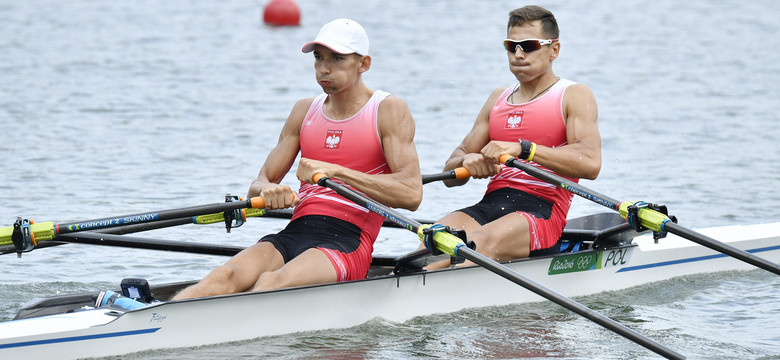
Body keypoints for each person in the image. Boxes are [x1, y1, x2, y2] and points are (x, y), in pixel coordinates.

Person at [173, 18, 422, 299]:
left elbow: (411, 193)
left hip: (348, 242)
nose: (323, 69)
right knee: (223, 277)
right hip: (296, 231)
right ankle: (159, 324)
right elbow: (258, 184)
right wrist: (269, 191)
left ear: (363, 64)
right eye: (318, 58)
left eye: (337, 59)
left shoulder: (388, 109)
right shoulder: (305, 110)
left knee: (271, 283)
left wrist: (336, 172)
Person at [426, 6, 600, 269]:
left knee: (477, 244)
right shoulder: (497, 98)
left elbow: (590, 164)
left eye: (528, 46)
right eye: (511, 46)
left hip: (541, 210)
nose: (518, 54)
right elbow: (450, 171)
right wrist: (468, 161)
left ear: (554, 50)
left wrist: (524, 149)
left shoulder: (573, 94)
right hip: (491, 203)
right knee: (431, 244)